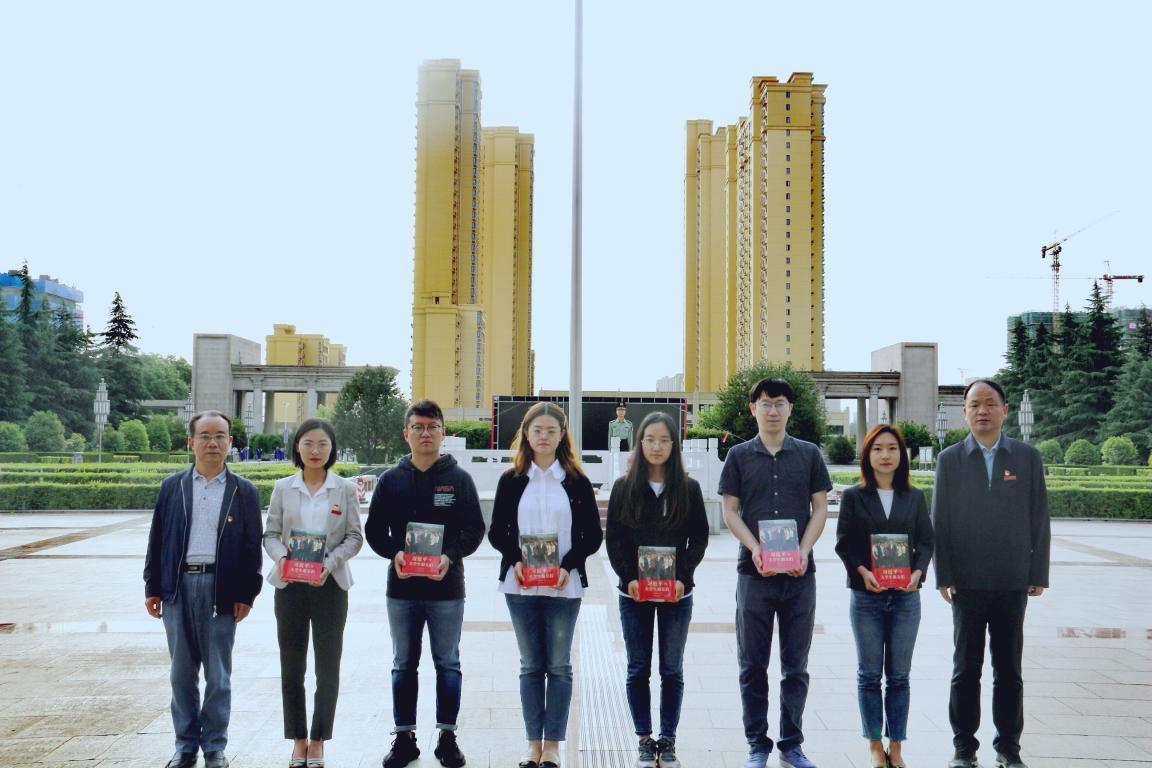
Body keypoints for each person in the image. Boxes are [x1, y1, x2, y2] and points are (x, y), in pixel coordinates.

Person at [933, 379, 1050, 768]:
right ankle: (964, 747)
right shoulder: (950, 459)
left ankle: (1008, 748)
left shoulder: (1027, 457)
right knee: (966, 669)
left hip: (1011, 579)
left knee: (1009, 670)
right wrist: (944, 573)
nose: (982, 411)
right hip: (966, 583)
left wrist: (1037, 571)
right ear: (964, 412)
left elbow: (1039, 517)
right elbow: (940, 520)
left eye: (990, 403)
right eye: (974, 405)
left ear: (1004, 410)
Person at [365, 399, 485, 768]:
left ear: (443, 432)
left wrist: (450, 556)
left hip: (446, 589)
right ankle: (404, 738)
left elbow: (474, 529)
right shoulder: (391, 480)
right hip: (402, 589)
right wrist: (395, 554)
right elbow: (374, 530)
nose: (425, 433)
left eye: (432, 427)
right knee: (403, 663)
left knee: (448, 662)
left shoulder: (459, 479)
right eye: (418, 427)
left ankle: (447, 737)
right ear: (406, 434)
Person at [718, 378, 832, 768]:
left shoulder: (809, 454)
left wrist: (804, 549)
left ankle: (791, 743)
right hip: (754, 576)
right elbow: (730, 511)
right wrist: (755, 548)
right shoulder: (738, 456)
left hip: (800, 575)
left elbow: (820, 507)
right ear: (753, 409)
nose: (772, 410)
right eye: (765, 403)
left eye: (779, 403)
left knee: (795, 666)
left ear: (790, 409)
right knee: (752, 664)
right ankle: (757, 743)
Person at [144, 411, 263, 768]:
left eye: (220, 436)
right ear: (191, 441)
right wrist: (152, 586)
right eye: (205, 436)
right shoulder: (173, 486)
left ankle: (214, 746)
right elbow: (157, 539)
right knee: (181, 674)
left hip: (221, 590)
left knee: (218, 675)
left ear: (230, 442)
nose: (213, 443)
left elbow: (251, 548)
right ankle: (184, 746)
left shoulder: (244, 491)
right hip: (178, 588)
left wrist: (247, 594)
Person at [489, 402, 603, 768]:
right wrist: (516, 560)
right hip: (520, 585)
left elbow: (592, 535)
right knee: (530, 665)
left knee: (559, 666)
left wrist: (569, 566)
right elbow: (497, 531)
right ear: (525, 433)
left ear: (561, 435)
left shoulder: (575, 481)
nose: (543, 436)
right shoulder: (511, 479)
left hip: (563, 587)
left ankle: (552, 744)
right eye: (537, 430)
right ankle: (532, 744)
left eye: (551, 430)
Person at [606, 412, 709, 768]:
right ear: (640, 443)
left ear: (674, 446)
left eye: (664, 440)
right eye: (650, 439)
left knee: (671, 669)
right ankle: (644, 739)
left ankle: (668, 739)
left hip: (676, 594)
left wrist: (683, 576)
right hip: (634, 594)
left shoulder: (688, 488)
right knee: (638, 667)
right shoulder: (624, 487)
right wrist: (628, 577)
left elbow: (699, 537)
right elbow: (614, 539)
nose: (656, 446)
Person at [264, 418, 364, 768]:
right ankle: (298, 739)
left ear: (332, 449)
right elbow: (271, 534)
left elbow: (355, 536)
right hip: (290, 587)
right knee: (292, 665)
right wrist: (283, 559)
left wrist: (330, 562)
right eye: (308, 443)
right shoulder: (283, 488)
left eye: (323, 444)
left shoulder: (344, 489)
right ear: (297, 448)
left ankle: (319, 739)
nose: (315, 450)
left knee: (327, 666)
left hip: (330, 587)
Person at [834, 424, 934, 768]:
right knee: (869, 675)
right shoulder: (854, 496)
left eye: (892, 448)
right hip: (867, 598)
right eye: (877, 449)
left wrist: (918, 573)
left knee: (900, 677)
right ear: (867, 455)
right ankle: (875, 744)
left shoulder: (915, 496)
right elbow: (844, 544)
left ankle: (897, 745)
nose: (885, 455)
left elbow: (926, 542)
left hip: (906, 598)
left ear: (901, 455)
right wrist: (862, 572)